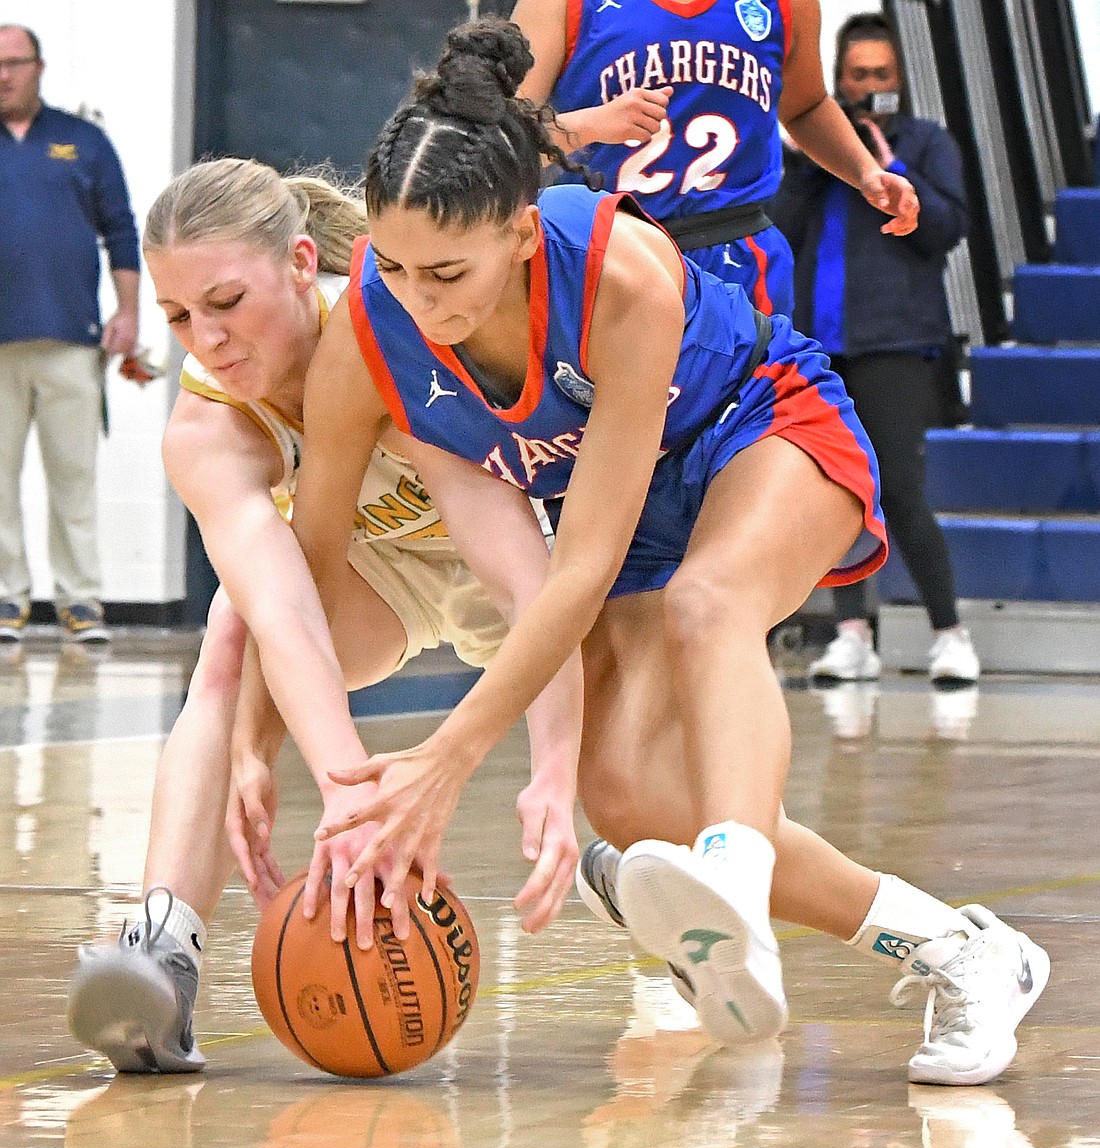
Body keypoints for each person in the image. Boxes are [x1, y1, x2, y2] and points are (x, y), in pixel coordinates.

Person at [237, 18, 1047, 1086]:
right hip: (624, 499)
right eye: (389, 265)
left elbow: (576, 570)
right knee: (624, 797)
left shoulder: (619, 267)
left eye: (445, 271)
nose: (418, 300)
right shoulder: (371, 331)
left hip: (758, 421)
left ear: (522, 233)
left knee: (709, 606)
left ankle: (733, 878)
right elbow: (310, 559)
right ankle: (959, 950)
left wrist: (447, 758)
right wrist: (257, 743)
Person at [65, 157, 582, 1074]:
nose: (208, 340)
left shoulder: (406, 325)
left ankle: (653, 875)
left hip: (525, 552)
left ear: (304, 262)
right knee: (228, 642)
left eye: (227, 301)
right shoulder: (207, 426)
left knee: (640, 788)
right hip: (378, 576)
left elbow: (528, 589)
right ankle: (161, 954)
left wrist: (555, 773)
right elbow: (284, 613)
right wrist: (352, 801)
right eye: (181, 318)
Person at [772, 13, 980, 686]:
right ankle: (852, 632)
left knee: (899, 489)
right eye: (857, 76)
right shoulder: (814, 153)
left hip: (897, 340)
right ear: (838, 81)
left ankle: (948, 631)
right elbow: (780, 228)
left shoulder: (925, 143)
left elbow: (945, 229)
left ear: (900, 82)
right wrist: (815, 161)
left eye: (881, 76)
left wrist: (885, 165)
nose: (869, 87)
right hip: (822, 346)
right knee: (835, 493)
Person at [510, 0, 920, 318]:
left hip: (738, 253)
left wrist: (865, 170)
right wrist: (590, 126)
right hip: (604, 255)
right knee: (629, 424)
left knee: (758, 422)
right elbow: (495, 137)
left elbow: (804, 106)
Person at [0, 24, 139, 644]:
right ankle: (7, 600)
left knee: (73, 476)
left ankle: (80, 601)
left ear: (39, 67)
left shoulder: (84, 141)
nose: (3, 75)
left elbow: (122, 231)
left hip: (71, 339)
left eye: (14, 63)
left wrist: (129, 314)